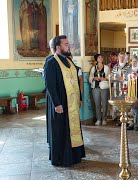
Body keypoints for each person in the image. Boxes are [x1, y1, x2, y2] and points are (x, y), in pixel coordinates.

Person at [44, 35, 85, 166]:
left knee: (72, 129)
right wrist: (57, 103)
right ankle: (62, 158)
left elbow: (76, 82)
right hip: (61, 103)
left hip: (71, 103)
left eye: (69, 44)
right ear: (58, 47)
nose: (69, 46)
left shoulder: (69, 61)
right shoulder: (51, 62)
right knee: (60, 131)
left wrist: (80, 98)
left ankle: (73, 155)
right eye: (66, 44)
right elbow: (50, 85)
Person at [89, 53, 110, 126]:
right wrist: (94, 78)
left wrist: (103, 78)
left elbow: (109, 77)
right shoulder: (93, 68)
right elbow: (90, 78)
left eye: (101, 57)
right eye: (99, 57)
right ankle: (98, 119)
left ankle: (104, 119)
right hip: (96, 88)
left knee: (104, 104)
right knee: (97, 104)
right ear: (96, 60)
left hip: (104, 87)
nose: (101, 58)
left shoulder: (106, 68)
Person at [127, 56, 138, 131]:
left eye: (135, 61)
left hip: (137, 91)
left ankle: (136, 124)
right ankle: (130, 123)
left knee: (136, 109)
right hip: (129, 90)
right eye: (133, 61)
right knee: (130, 108)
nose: (134, 63)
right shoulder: (129, 69)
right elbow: (125, 78)